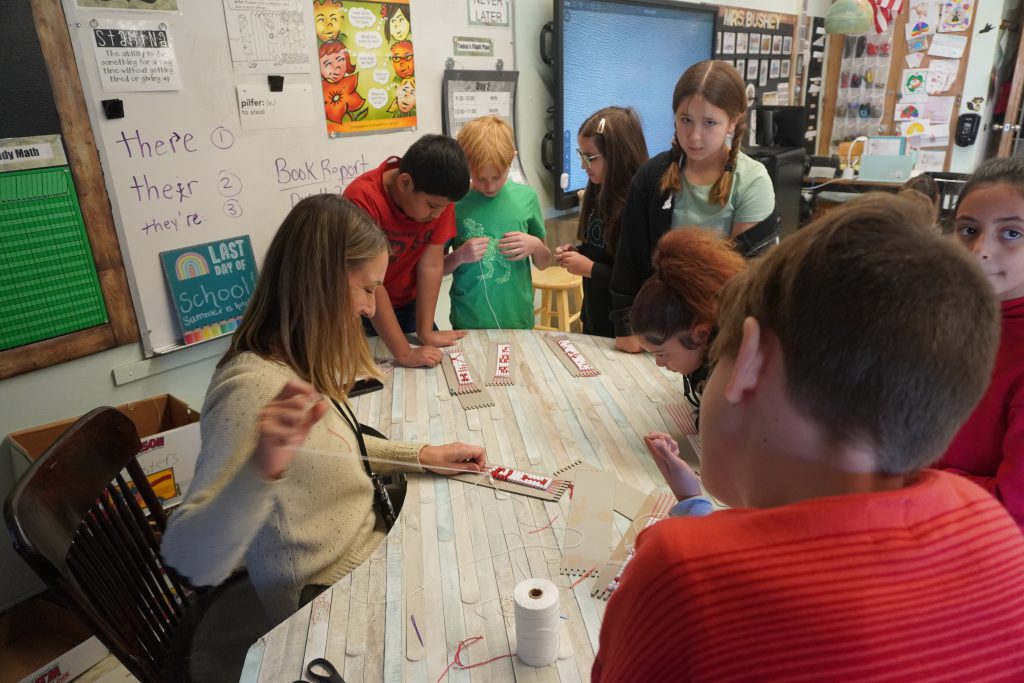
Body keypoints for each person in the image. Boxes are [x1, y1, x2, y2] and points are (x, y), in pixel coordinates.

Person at [593, 193, 1024, 681]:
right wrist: (697, 510)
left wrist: (677, 540)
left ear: (750, 360)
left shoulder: (681, 577)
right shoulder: (996, 536)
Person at [162, 195, 486, 624]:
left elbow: (334, 446)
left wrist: (421, 455)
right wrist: (260, 469)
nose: (371, 308)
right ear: (323, 281)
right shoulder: (249, 387)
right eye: (367, 289)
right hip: (325, 600)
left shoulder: (298, 357)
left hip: (368, 548)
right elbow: (192, 560)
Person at [610, 60, 775, 352]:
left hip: (721, 338)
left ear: (733, 122)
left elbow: (749, 282)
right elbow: (630, 263)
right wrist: (629, 327)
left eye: (709, 123)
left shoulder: (752, 182)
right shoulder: (650, 177)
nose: (694, 136)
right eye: (685, 120)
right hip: (655, 337)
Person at [935, 157, 1024, 529]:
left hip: (981, 553)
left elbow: (1012, 506)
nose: (981, 250)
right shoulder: (940, 317)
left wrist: (901, 482)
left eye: (1012, 233)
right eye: (968, 230)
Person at [343, 134, 469, 368]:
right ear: (404, 183)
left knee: (433, 364)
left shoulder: (439, 200)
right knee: (369, 371)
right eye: (432, 206)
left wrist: (425, 331)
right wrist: (404, 353)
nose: (438, 215)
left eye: (444, 207)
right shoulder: (362, 199)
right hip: (361, 303)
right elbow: (370, 282)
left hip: (408, 302)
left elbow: (431, 265)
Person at [632, 227, 745, 432]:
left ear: (701, 334)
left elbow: (713, 429)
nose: (659, 362)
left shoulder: (733, 371)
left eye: (663, 354)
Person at [445, 115, 550, 329]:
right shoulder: (453, 203)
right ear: (465, 164)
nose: (490, 186)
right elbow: (435, 268)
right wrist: (459, 256)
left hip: (517, 318)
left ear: (511, 160)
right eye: (480, 177)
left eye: (498, 177)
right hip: (469, 321)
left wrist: (536, 246)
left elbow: (544, 262)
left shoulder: (526, 198)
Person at [554, 107, 648, 337]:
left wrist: (589, 269)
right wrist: (577, 252)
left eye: (590, 158)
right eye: (581, 155)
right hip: (594, 319)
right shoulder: (596, 191)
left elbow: (637, 279)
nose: (583, 165)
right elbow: (600, 250)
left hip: (624, 328)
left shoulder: (636, 204)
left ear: (618, 155)